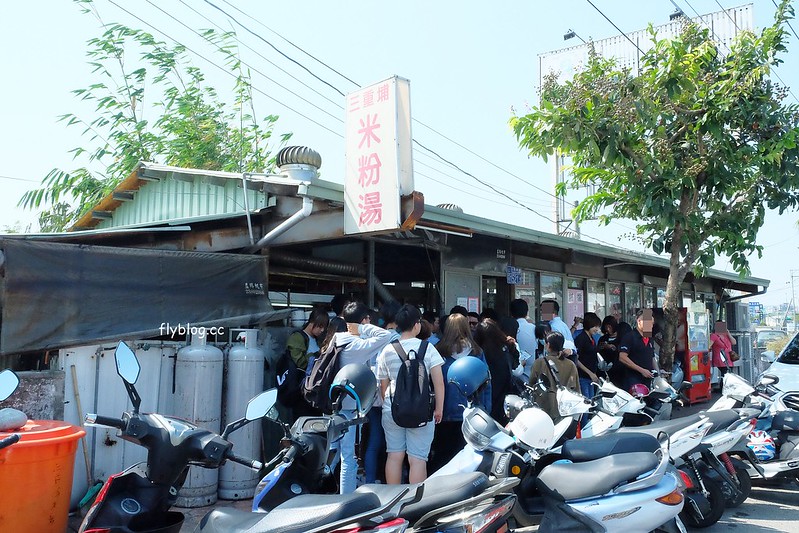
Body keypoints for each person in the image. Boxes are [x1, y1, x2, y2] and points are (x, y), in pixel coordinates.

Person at [328, 302, 393, 493]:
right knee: (349, 457)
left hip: (333, 403)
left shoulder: (337, 338)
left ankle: (321, 488)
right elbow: (385, 335)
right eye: (367, 320)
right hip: (350, 405)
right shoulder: (357, 345)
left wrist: (354, 326)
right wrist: (362, 327)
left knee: (333, 451)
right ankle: (346, 500)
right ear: (363, 321)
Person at [377, 305, 445, 484]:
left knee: (394, 455)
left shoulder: (387, 350)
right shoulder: (428, 348)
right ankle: (415, 503)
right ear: (417, 325)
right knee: (417, 458)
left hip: (393, 408)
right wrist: (439, 408)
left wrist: (389, 405)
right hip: (422, 409)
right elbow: (438, 382)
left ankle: (392, 501)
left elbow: (383, 386)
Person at [429, 313, 491, 473]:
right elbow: (486, 382)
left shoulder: (438, 352)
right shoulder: (477, 352)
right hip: (471, 413)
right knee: (468, 459)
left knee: (443, 457)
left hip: (444, 414)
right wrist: (485, 410)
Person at [286, 308, 330, 418]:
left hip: (314, 390)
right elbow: (299, 362)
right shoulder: (297, 338)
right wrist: (316, 356)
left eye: (324, 327)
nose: (322, 330)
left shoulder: (318, 340)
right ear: (312, 323)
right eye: (320, 326)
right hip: (300, 390)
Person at [529, 331, 579, 421]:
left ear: (548, 345)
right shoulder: (570, 364)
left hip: (544, 407)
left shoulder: (539, 362)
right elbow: (576, 389)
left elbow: (531, 383)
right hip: (564, 410)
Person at [474, 318, 516, 425]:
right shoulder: (505, 349)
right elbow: (515, 366)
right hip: (503, 396)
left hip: (484, 397)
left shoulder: (477, 353)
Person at [618, 309, 657, 391]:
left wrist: (658, 373)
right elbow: (622, 357)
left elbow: (652, 356)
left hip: (648, 380)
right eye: (649, 323)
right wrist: (641, 370)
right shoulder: (629, 337)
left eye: (652, 324)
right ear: (639, 321)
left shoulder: (650, 338)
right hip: (633, 379)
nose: (651, 326)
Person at [574, 312, 602, 399]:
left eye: (598, 327)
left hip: (591, 376)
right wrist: (590, 373)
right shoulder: (581, 338)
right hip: (583, 376)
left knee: (591, 402)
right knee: (586, 403)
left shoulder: (591, 338)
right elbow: (576, 359)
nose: (597, 329)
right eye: (595, 326)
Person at [598, 315, 625, 387]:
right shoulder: (603, 338)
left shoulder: (621, 338)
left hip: (619, 370)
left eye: (609, 327)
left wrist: (613, 348)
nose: (608, 329)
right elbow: (598, 352)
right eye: (606, 327)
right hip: (605, 370)